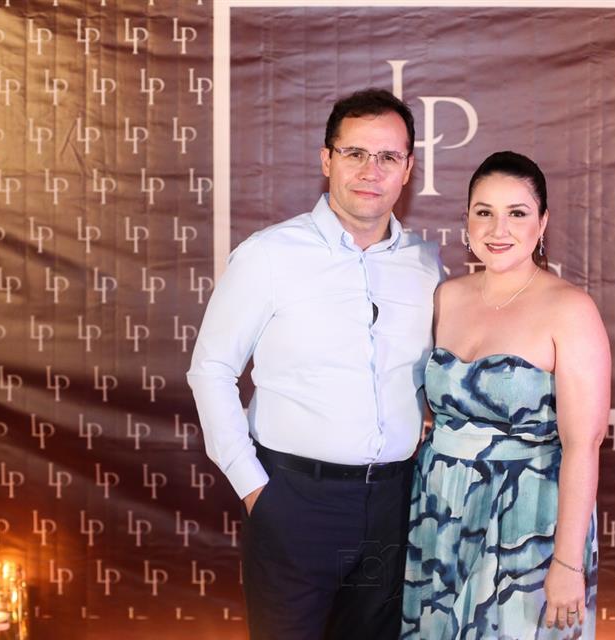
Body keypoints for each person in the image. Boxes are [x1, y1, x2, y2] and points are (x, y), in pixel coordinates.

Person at [187, 88, 443, 640]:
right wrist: (254, 489)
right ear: (327, 159)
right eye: (355, 153)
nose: (371, 171)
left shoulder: (427, 266)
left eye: (388, 156)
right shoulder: (269, 255)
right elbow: (211, 369)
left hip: (392, 506)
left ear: (408, 170)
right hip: (294, 503)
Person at [402, 151, 610, 639]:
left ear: (543, 222)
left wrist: (567, 562)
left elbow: (584, 445)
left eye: (517, 213)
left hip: (528, 518)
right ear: (467, 220)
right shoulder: (445, 296)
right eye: (484, 212)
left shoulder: (571, 309)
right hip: (438, 510)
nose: (499, 229)